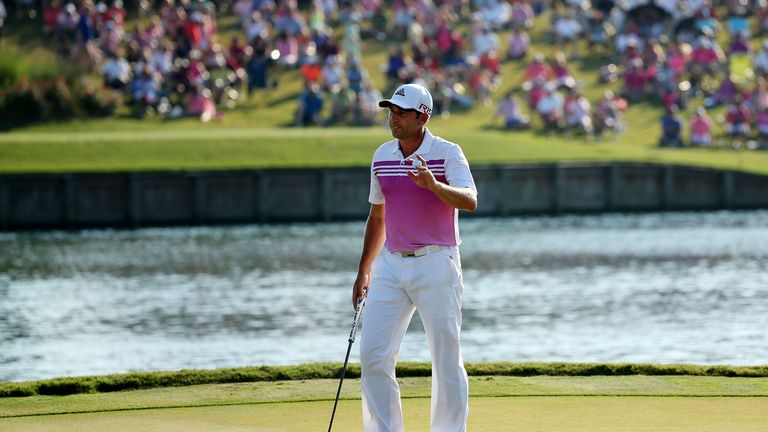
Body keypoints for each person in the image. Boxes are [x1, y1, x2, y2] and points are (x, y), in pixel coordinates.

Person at [353, 83, 477, 432]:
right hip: (390, 265)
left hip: (437, 262)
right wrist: (364, 271)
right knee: (373, 355)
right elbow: (377, 217)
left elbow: (470, 200)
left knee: (445, 358)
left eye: (402, 112)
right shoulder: (381, 156)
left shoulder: (448, 153)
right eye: (391, 111)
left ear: (423, 116)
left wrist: (434, 185)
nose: (394, 118)